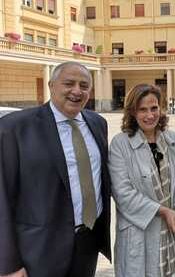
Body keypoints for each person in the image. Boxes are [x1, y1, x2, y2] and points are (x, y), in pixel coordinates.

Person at [0, 61, 111, 277]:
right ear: (52, 85)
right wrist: (8, 263)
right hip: (38, 251)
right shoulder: (14, 128)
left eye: (84, 85)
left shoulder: (98, 123)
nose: (77, 91)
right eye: (69, 83)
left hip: (87, 243)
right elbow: (2, 196)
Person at [108, 84, 175, 277]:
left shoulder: (171, 138)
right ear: (132, 112)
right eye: (142, 109)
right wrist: (163, 211)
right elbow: (123, 194)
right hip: (140, 234)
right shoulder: (120, 144)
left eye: (154, 108)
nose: (149, 115)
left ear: (161, 108)